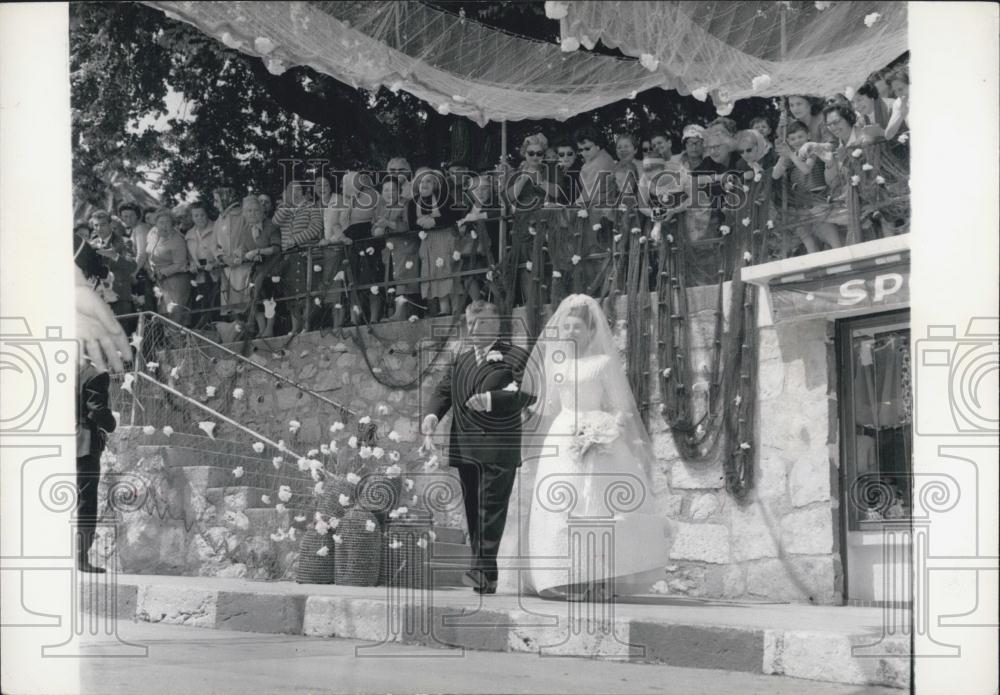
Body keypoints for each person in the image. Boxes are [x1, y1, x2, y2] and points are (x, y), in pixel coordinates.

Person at [498, 294, 669, 601]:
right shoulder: (557, 363)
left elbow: (620, 406)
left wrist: (606, 430)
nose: (570, 332)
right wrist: (515, 405)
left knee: (597, 505)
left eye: (577, 327)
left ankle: (601, 579)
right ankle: (564, 577)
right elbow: (546, 405)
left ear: (591, 330)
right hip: (564, 434)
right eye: (566, 326)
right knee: (561, 504)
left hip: (598, 438)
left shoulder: (602, 363)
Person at [421, 300, 536, 594]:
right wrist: (432, 415)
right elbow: (444, 390)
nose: (472, 329)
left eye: (480, 323)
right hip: (465, 447)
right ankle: (482, 571)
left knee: (491, 510)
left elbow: (530, 395)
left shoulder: (516, 356)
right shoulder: (461, 358)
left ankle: (483, 572)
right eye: (469, 323)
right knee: (473, 511)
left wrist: (492, 400)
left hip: (498, 448)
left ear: (495, 325)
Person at [772, 121, 842, 253]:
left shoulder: (811, 151)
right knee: (809, 243)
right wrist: (783, 156)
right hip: (801, 204)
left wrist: (791, 155)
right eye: (792, 139)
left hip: (818, 197)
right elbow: (775, 175)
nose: (797, 141)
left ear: (808, 136)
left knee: (833, 240)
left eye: (800, 137)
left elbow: (806, 169)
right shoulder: (791, 157)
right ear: (788, 141)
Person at [75, 359, 117, 573]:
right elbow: (96, 409)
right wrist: (111, 424)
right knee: (85, 502)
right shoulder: (95, 373)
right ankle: (80, 559)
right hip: (83, 444)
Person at [326, 171, 380, 322]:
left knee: (370, 279)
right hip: (351, 244)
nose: (343, 186)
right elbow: (337, 224)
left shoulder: (371, 196)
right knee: (352, 280)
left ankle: (374, 317)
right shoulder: (347, 201)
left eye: (346, 182)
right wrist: (342, 236)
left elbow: (372, 218)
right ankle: (355, 319)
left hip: (367, 241)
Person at [273, 181, 323, 333]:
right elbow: (276, 222)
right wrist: (286, 204)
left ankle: (307, 325)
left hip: (306, 254)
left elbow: (316, 227)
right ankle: (295, 327)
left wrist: (295, 240)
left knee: (307, 291)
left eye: (298, 189)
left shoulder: (310, 206)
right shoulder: (284, 208)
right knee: (292, 293)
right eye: (291, 190)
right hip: (289, 257)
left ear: (303, 191)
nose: (295, 192)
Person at [410, 168, 460, 317]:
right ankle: (440, 308)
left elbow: (454, 215)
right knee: (432, 273)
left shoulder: (444, 197)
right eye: (421, 181)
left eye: (428, 181)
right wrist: (422, 222)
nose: (424, 184)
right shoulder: (413, 202)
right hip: (428, 241)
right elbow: (412, 223)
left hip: (445, 238)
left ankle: (455, 308)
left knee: (448, 270)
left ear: (435, 184)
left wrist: (435, 221)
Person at [372, 177, 418, 321]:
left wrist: (388, 224)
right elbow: (374, 227)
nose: (389, 193)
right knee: (393, 279)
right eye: (386, 190)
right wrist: (377, 230)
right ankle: (396, 312)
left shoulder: (407, 203)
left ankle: (400, 314)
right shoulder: (381, 207)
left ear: (399, 191)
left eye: (393, 189)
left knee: (404, 279)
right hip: (389, 250)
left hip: (406, 246)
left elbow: (408, 225)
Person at [88, 210, 137, 333]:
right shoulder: (91, 244)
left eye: (103, 224)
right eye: (96, 225)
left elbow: (132, 266)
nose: (99, 228)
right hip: (97, 297)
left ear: (110, 225)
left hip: (119, 296)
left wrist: (115, 256)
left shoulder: (124, 242)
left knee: (122, 336)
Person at [241, 195, 282, 337]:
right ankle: (261, 327)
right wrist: (245, 254)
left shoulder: (271, 226)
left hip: (273, 265)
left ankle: (269, 328)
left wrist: (259, 251)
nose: (252, 214)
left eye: (256, 211)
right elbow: (245, 250)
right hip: (256, 267)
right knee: (253, 291)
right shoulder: (245, 230)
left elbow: (276, 248)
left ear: (262, 211)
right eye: (249, 211)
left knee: (266, 291)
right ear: (244, 214)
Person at [213, 187, 255, 320]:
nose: (214, 204)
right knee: (231, 307)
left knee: (247, 303)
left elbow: (249, 236)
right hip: (227, 269)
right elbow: (214, 244)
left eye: (217, 200)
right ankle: (237, 333)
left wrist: (239, 255)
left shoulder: (244, 215)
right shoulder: (219, 220)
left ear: (226, 199)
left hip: (243, 266)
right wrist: (222, 257)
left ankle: (250, 332)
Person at [146, 209, 192, 326]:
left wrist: (162, 272)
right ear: (156, 224)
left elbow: (180, 264)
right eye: (161, 222)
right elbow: (148, 253)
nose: (164, 225)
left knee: (175, 314)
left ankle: (179, 342)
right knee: (163, 314)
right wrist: (150, 270)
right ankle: (170, 342)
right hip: (159, 281)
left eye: (167, 222)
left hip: (176, 281)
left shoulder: (177, 240)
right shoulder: (153, 235)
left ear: (173, 224)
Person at [184, 202, 219, 328]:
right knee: (202, 302)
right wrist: (192, 263)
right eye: (196, 216)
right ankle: (207, 332)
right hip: (199, 272)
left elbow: (222, 248)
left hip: (215, 270)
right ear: (192, 217)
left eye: (202, 215)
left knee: (217, 301)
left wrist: (215, 262)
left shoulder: (216, 228)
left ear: (207, 214)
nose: (199, 218)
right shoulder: (189, 234)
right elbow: (189, 255)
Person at [574, 126, 616, 207]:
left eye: (587, 148)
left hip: (598, 209)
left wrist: (572, 207)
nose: (583, 153)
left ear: (598, 145)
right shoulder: (599, 157)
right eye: (580, 150)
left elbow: (587, 197)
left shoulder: (600, 163)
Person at [612, 133, 643, 205]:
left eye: (626, 146)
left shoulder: (643, 166)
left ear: (635, 150)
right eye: (619, 147)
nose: (622, 149)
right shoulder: (614, 168)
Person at [884, 66, 909, 141]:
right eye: (895, 91)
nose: (898, 94)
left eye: (900, 89)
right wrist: (902, 113)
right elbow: (888, 135)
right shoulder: (899, 103)